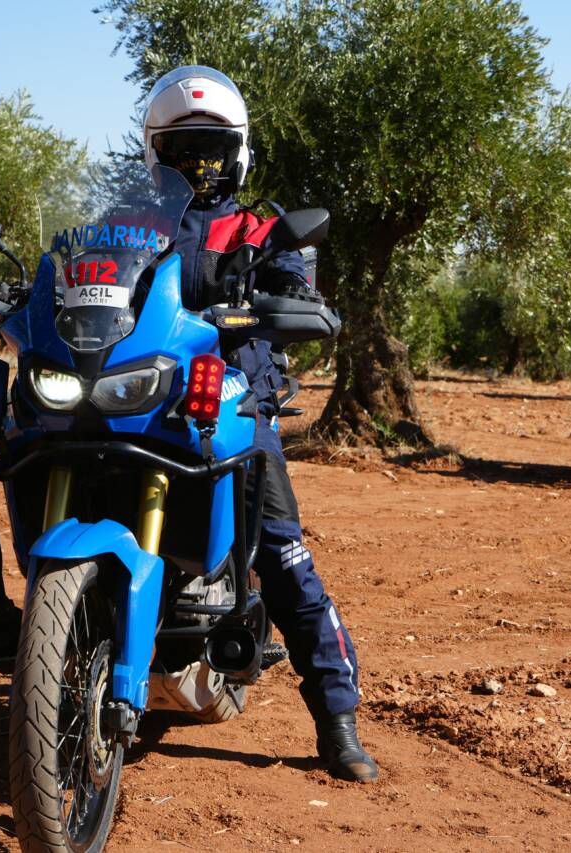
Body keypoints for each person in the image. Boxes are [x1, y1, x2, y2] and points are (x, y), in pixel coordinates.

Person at [143, 65, 378, 782]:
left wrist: (286, 301)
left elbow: (297, 290)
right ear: (156, 153)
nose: (199, 162)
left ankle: (336, 720)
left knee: (280, 553)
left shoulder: (264, 227)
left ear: (238, 150)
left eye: (212, 145)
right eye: (184, 147)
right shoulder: (132, 222)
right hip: (136, 395)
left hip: (229, 402)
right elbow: (77, 269)